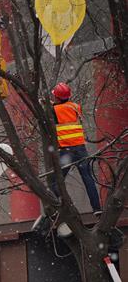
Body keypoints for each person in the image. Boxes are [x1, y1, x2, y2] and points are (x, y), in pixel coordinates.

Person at [49, 82, 102, 216]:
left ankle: (62, 206)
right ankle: (97, 208)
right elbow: (64, 110)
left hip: (66, 151)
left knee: (56, 181)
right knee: (88, 179)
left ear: (57, 97)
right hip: (80, 149)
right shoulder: (76, 107)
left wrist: (47, 105)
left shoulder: (54, 110)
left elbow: (54, 113)